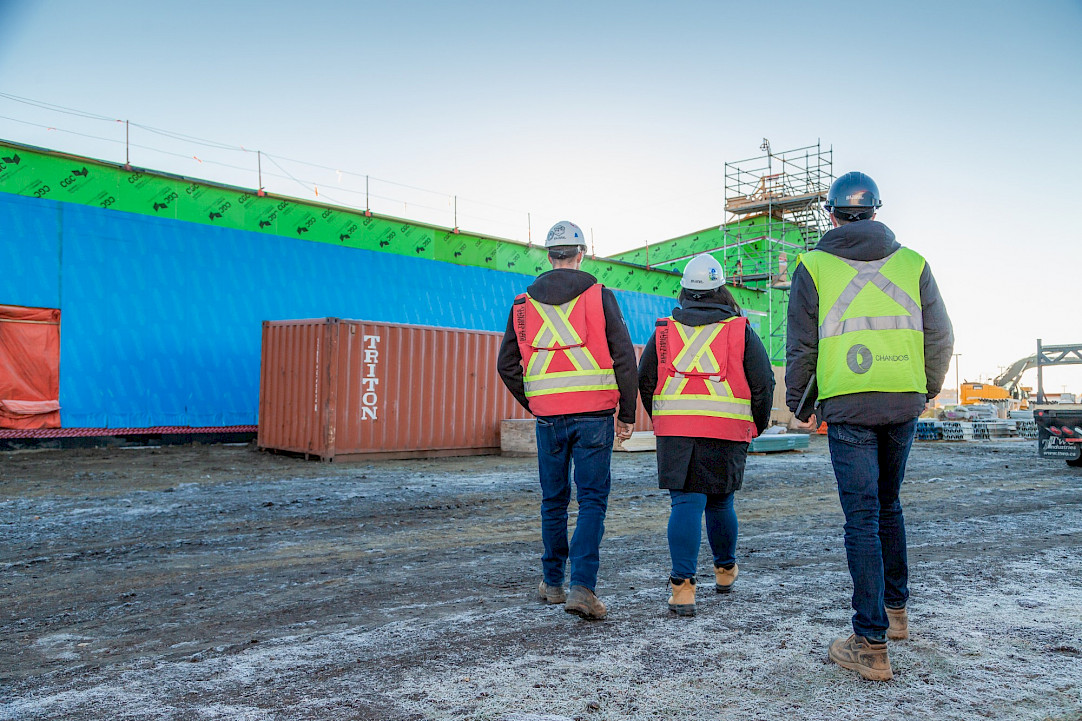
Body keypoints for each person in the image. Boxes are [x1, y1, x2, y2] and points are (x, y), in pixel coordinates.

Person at [785, 172, 953, 680]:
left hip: (848, 405)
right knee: (888, 505)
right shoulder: (913, 263)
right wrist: (924, 388)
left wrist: (799, 402)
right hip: (902, 402)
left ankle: (871, 643)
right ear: (876, 211)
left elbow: (802, 344)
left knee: (861, 516)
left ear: (831, 214)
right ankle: (895, 614)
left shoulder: (812, 265)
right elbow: (940, 335)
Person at [497, 220, 638, 621]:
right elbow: (624, 356)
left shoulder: (523, 305)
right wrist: (626, 414)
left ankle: (552, 582)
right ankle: (583, 588)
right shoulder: (599, 296)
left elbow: (506, 364)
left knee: (553, 500)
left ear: (548, 256)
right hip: (594, 416)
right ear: (581, 254)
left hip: (549, 420)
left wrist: (536, 400)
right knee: (592, 499)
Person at [638, 253, 774, 617]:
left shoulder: (665, 330)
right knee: (720, 502)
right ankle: (725, 572)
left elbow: (646, 378)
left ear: (685, 289)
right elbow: (763, 383)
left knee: (685, 504)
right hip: (726, 431)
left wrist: (663, 419)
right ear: (721, 289)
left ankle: (682, 591)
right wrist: (754, 426)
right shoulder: (739, 329)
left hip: (677, 431)